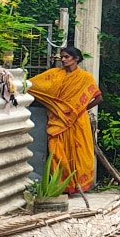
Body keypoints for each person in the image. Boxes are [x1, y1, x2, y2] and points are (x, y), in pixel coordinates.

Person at [26, 46, 102, 194]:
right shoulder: (54, 74)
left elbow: (98, 98)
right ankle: (62, 187)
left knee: (79, 152)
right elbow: (32, 85)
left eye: (67, 57)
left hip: (78, 121)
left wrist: (79, 110)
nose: (63, 59)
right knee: (57, 153)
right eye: (62, 57)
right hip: (57, 121)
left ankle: (78, 185)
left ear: (76, 59)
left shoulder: (85, 78)